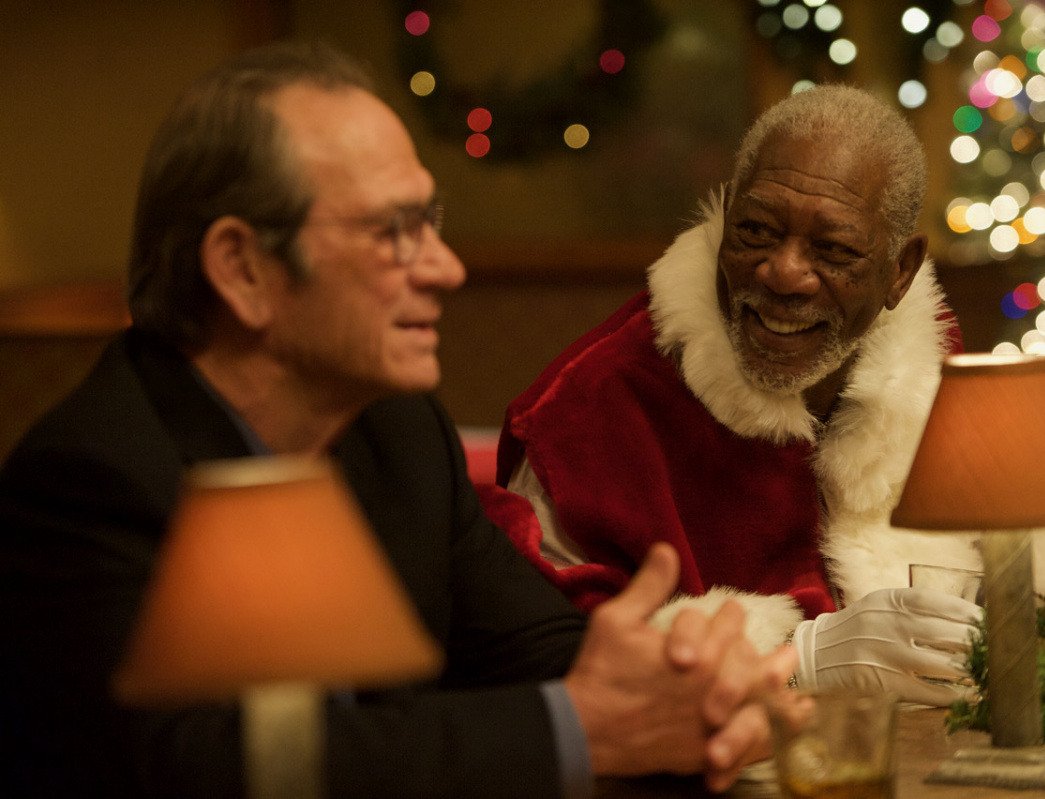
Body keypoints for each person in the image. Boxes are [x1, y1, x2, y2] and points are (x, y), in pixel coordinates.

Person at [0, 41, 797, 799]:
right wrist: (582, 727)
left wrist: (682, 686)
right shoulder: (88, 481)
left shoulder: (397, 431)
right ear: (242, 268)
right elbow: (203, 767)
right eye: (393, 231)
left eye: (431, 222)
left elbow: (531, 651)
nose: (446, 268)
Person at [483, 84, 992, 707]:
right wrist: (791, 662)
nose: (783, 272)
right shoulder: (587, 411)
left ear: (900, 273)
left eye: (833, 249)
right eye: (755, 230)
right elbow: (541, 665)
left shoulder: (936, 381)